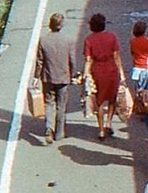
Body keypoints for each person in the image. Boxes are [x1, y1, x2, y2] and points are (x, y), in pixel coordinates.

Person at [83, 13, 126, 140]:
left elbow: (88, 59)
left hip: (97, 72)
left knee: (99, 101)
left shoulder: (89, 40)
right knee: (112, 99)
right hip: (111, 70)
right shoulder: (111, 37)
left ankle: (101, 129)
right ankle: (109, 123)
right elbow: (116, 56)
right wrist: (121, 73)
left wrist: (85, 74)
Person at [36, 12, 75, 144]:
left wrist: (36, 76)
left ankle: (48, 127)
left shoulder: (43, 40)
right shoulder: (68, 40)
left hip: (48, 76)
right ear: (61, 25)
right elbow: (72, 60)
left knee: (49, 103)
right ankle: (60, 132)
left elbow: (39, 60)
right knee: (61, 105)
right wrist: (73, 74)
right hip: (63, 77)